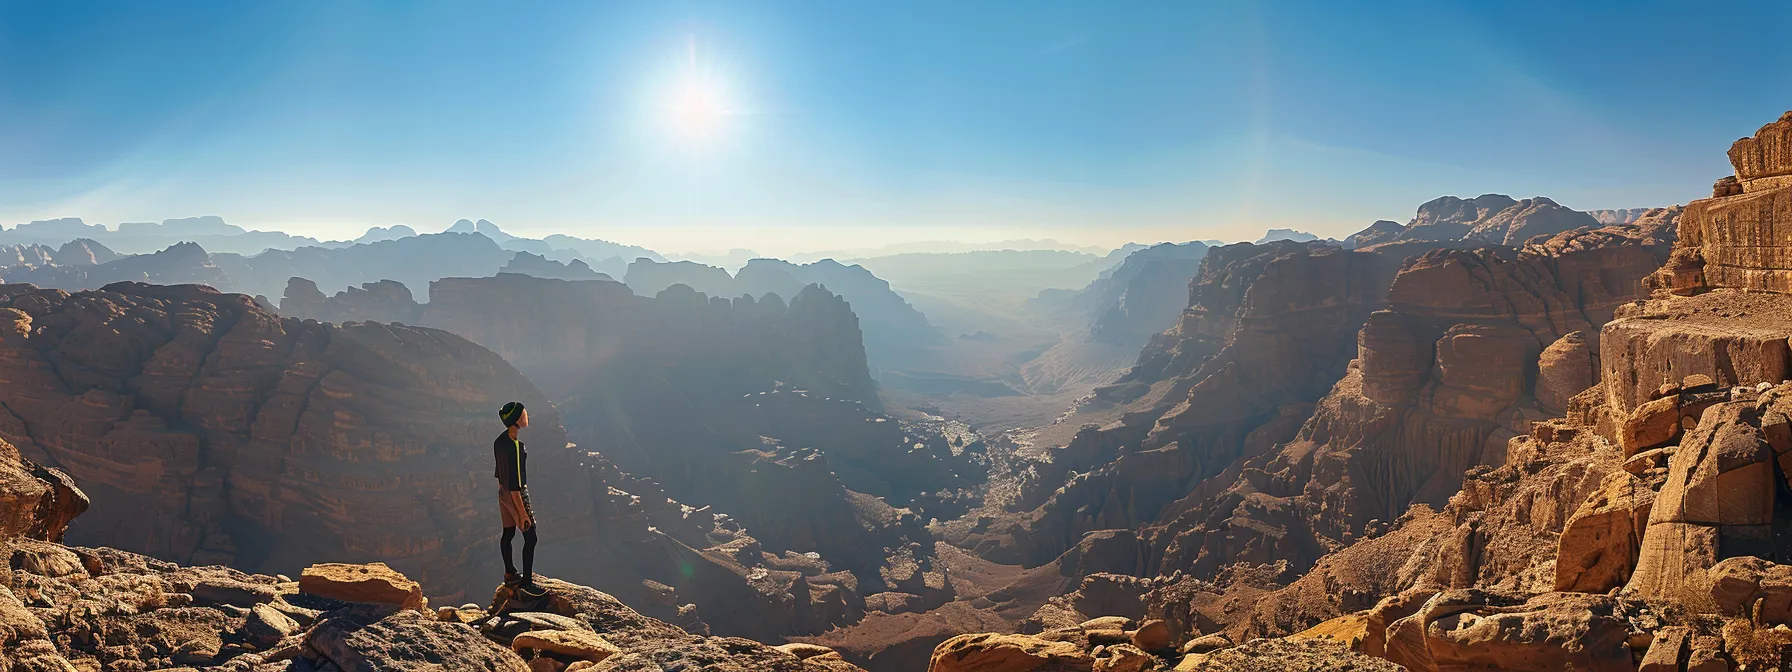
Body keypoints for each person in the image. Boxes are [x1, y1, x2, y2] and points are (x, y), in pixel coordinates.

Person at [494, 401, 541, 594]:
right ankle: (527, 584)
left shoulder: (499, 441)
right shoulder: (515, 447)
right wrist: (522, 513)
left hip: (502, 491)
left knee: (508, 533)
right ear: (516, 420)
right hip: (516, 493)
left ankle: (510, 573)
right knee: (531, 537)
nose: (526, 415)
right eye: (523, 413)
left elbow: (499, 473)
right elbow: (517, 484)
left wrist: (504, 498)